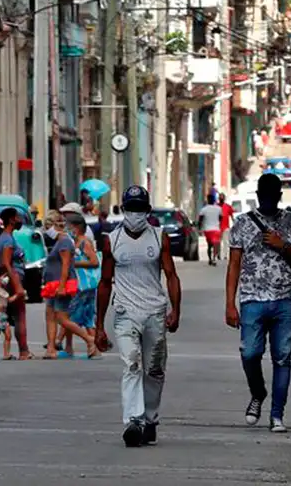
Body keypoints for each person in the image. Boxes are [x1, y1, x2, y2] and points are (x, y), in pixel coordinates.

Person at [225, 174, 291, 434]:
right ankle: (258, 392)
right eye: (263, 193)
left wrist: (283, 245)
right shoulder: (242, 224)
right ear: (258, 194)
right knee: (249, 353)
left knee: (282, 358)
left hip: (284, 299)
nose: (267, 198)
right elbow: (233, 264)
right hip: (252, 299)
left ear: (279, 195)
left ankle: (277, 415)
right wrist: (230, 304)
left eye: (272, 193)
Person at [95, 185, 182, 447]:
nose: (135, 214)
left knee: (154, 369)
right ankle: (133, 421)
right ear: (123, 210)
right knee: (131, 364)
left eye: (139, 209)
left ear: (147, 211)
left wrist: (175, 309)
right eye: (131, 209)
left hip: (154, 311)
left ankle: (150, 419)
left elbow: (171, 275)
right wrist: (98, 325)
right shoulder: (112, 240)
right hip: (125, 312)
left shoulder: (159, 237)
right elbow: (105, 282)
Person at [41, 211, 100, 360]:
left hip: (62, 285)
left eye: (48, 227)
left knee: (64, 318)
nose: (47, 231)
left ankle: (89, 340)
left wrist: (61, 286)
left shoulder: (66, 242)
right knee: (51, 315)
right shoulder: (61, 242)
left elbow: (67, 265)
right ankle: (51, 348)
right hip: (52, 286)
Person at [0, 207, 34, 360]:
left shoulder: (7, 237)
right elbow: (7, 264)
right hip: (13, 279)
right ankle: (24, 351)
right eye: (17, 217)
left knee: (1, 316)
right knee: (20, 315)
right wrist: (18, 286)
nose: (20, 220)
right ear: (11, 220)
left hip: (10, 279)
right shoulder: (7, 239)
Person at [64, 216, 101, 357]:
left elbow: (94, 262)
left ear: (76, 227)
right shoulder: (75, 242)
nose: (67, 229)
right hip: (80, 284)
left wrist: (74, 264)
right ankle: (90, 348)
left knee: (69, 315)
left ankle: (88, 343)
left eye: (69, 226)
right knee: (87, 317)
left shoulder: (84, 242)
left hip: (83, 285)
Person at [199, 195, 224, 266]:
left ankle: (210, 259)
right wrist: (217, 222)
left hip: (207, 230)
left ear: (207, 200)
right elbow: (221, 218)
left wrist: (199, 228)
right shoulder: (218, 208)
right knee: (216, 244)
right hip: (216, 229)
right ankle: (214, 258)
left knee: (209, 245)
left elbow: (200, 220)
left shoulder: (204, 209)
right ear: (214, 200)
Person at [219, 193, 235, 257]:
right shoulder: (216, 206)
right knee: (218, 242)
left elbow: (232, 216)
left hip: (226, 227)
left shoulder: (228, 206)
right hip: (218, 227)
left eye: (222, 197)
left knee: (225, 242)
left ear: (224, 198)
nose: (221, 199)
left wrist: (235, 224)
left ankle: (225, 255)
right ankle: (218, 255)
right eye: (220, 197)